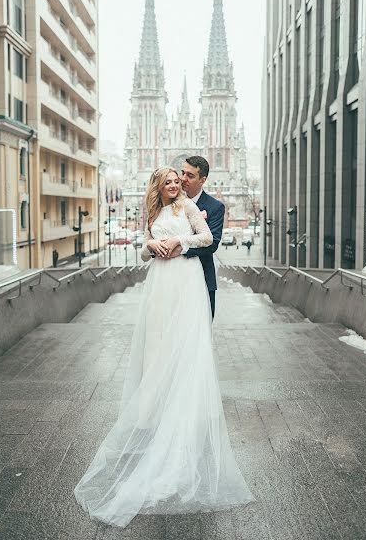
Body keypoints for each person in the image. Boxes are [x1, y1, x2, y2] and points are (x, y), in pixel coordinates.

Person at [74, 167, 254, 528]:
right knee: (157, 348)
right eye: (169, 181)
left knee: (184, 347)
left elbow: (206, 239)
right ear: (158, 186)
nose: (175, 185)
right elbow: (143, 252)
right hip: (159, 285)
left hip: (186, 283)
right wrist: (151, 246)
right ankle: (158, 411)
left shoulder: (188, 207)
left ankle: (182, 413)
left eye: (179, 180)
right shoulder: (153, 212)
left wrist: (179, 243)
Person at [164, 156, 225, 319]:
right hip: (171, 279)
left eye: (190, 176)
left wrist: (180, 249)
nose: (183, 179)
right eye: (182, 173)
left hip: (203, 278)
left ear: (203, 179)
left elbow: (212, 245)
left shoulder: (215, 207)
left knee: (200, 332)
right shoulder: (167, 203)